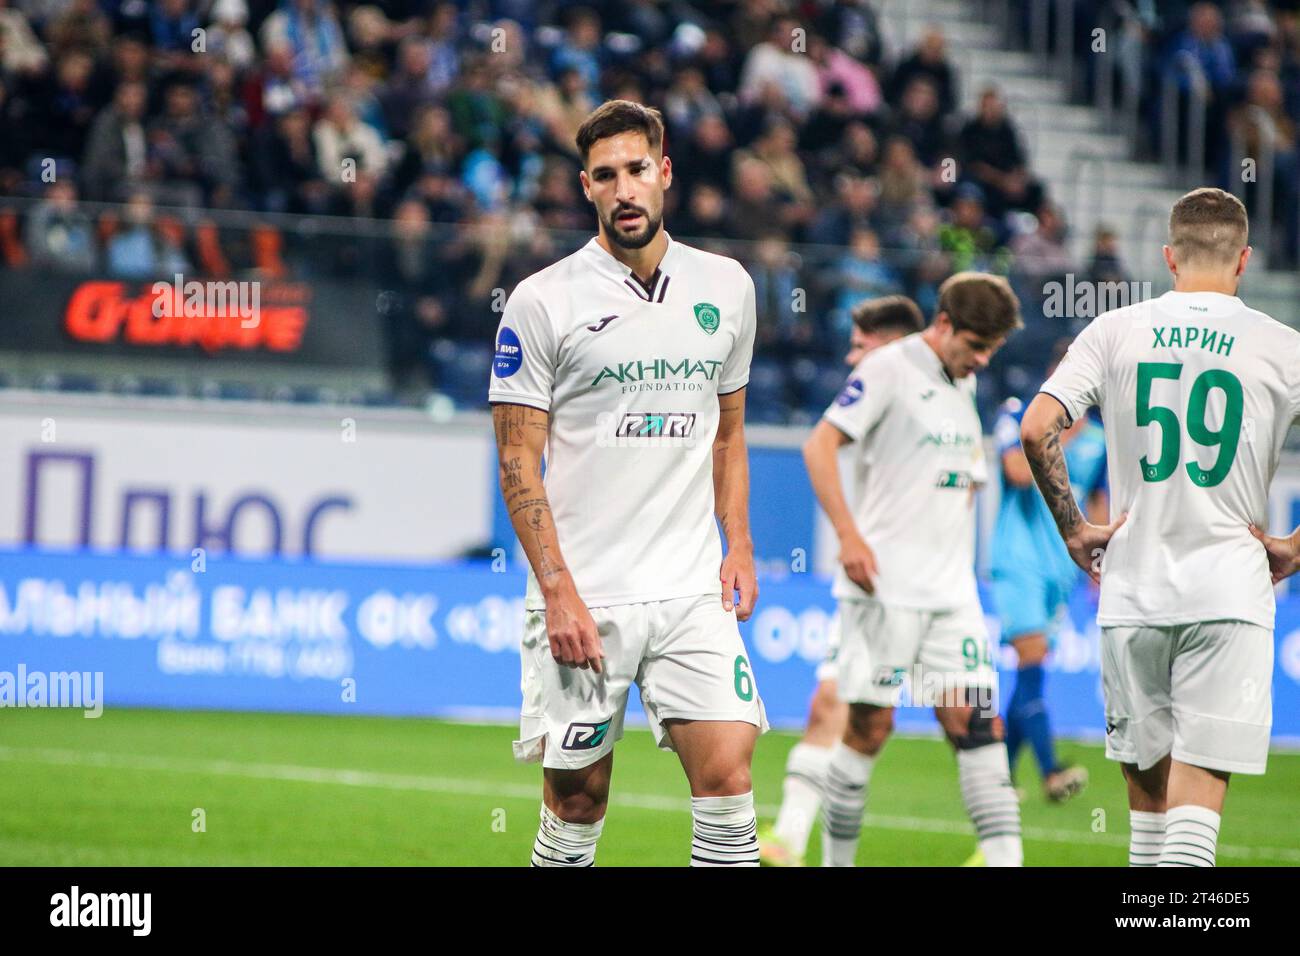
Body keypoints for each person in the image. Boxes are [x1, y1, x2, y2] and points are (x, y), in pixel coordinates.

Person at [488, 100, 767, 867]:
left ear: (664, 173)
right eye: (605, 176)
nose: (624, 189)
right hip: (588, 592)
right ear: (586, 187)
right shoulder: (543, 301)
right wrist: (557, 591)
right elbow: (517, 461)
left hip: (689, 592)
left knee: (728, 780)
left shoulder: (728, 286)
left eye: (637, 170)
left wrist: (738, 544)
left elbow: (729, 430)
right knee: (578, 800)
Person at [1021, 187, 1291, 866]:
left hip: (1134, 592)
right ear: (1244, 260)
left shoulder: (1115, 329)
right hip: (1229, 594)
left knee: (1147, 820)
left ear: (1170, 257)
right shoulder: (1281, 344)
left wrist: (1076, 529)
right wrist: (1293, 547)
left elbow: (1035, 428)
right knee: (1194, 819)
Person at [804, 272, 1026, 866]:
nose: (981, 359)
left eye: (991, 350)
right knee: (868, 732)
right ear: (944, 323)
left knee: (980, 727)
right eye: (974, 345)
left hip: (952, 595)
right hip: (884, 591)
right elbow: (818, 446)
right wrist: (849, 536)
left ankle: (1007, 859)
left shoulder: (965, 381)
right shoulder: (887, 369)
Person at [758, 294, 925, 867]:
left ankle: (1002, 845)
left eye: (861, 346)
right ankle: (790, 839)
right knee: (835, 704)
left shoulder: (943, 392)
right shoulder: (892, 394)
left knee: (963, 716)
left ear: (892, 345)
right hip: (878, 584)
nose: (851, 357)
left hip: (922, 589)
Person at [990, 339, 1106, 804]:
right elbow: (1017, 471)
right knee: (1033, 664)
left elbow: (1099, 503)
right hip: (1018, 561)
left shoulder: (1100, 436)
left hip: (1063, 569)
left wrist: (1102, 566)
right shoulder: (1018, 413)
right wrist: (1061, 429)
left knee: (1028, 673)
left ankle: (998, 779)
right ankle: (1051, 771)